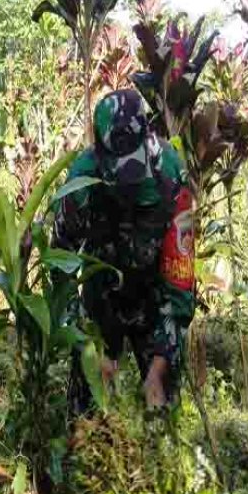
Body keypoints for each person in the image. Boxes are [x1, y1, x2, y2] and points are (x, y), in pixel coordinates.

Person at [53, 89, 195, 412]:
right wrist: (87, 347)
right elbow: (60, 269)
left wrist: (158, 370)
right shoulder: (81, 182)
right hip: (101, 299)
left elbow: (180, 287)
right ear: (100, 153)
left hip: (153, 302)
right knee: (86, 416)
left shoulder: (171, 177)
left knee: (162, 412)